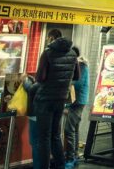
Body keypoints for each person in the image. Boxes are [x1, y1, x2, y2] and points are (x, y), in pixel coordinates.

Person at [34, 29, 79, 169]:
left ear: (52, 39)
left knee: (44, 137)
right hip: (61, 99)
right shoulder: (73, 54)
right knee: (55, 135)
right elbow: (77, 76)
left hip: (45, 99)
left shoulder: (48, 53)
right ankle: (60, 165)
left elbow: (40, 77)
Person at [65, 46, 89, 169]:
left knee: (69, 130)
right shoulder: (76, 65)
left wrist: (66, 82)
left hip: (78, 102)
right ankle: (74, 156)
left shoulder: (82, 66)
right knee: (74, 129)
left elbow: (78, 83)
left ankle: (70, 158)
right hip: (75, 102)